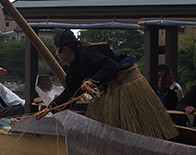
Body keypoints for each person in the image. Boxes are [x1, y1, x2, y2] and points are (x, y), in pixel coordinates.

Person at [39, 28, 178, 140]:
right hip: (114, 89)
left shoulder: (87, 54)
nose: (56, 53)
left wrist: (93, 80)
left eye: (57, 49)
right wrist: (49, 109)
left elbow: (111, 67)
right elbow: (70, 93)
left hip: (127, 84)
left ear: (66, 48)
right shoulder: (75, 68)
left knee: (142, 127)